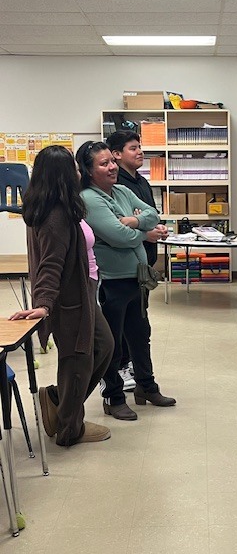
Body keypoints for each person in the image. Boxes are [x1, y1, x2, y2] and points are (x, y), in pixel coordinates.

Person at [9, 145, 114, 446]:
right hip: (71, 298)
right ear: (63, 174)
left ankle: (58, 399)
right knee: (77, 360)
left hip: (83, 290)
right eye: (74, 166)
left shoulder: (59, 204)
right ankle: (69, 429)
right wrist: (43, 305)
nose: (79, 170)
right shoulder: (55, 215)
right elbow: (50, 264)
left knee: (102, 346)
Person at [76, 141, 176, 421]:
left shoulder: (121, 190)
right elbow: (116, 237)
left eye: (112, 161)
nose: (111, 167)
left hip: (136, 279)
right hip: (111, 282)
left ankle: (146, 387)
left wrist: (133, 222)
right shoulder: (89, 199)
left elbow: (153, 214)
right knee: (114, 344)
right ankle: (114, 397)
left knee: (140, 335)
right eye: (103, 163)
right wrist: (145, 234)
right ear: (88, 170)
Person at [105, 129, 159, 392]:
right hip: (121, 269)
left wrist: (147, 226)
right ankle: (122, 370)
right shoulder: (117, 187)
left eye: (140, 146)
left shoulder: (140, 182)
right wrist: (144, 230)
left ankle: (142, 378)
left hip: (142, 265)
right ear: (116, 155)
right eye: (133, 147)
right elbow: (120, 232)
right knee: (123, 326)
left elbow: (151, 214)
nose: (140, 152)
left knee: (139, 325)